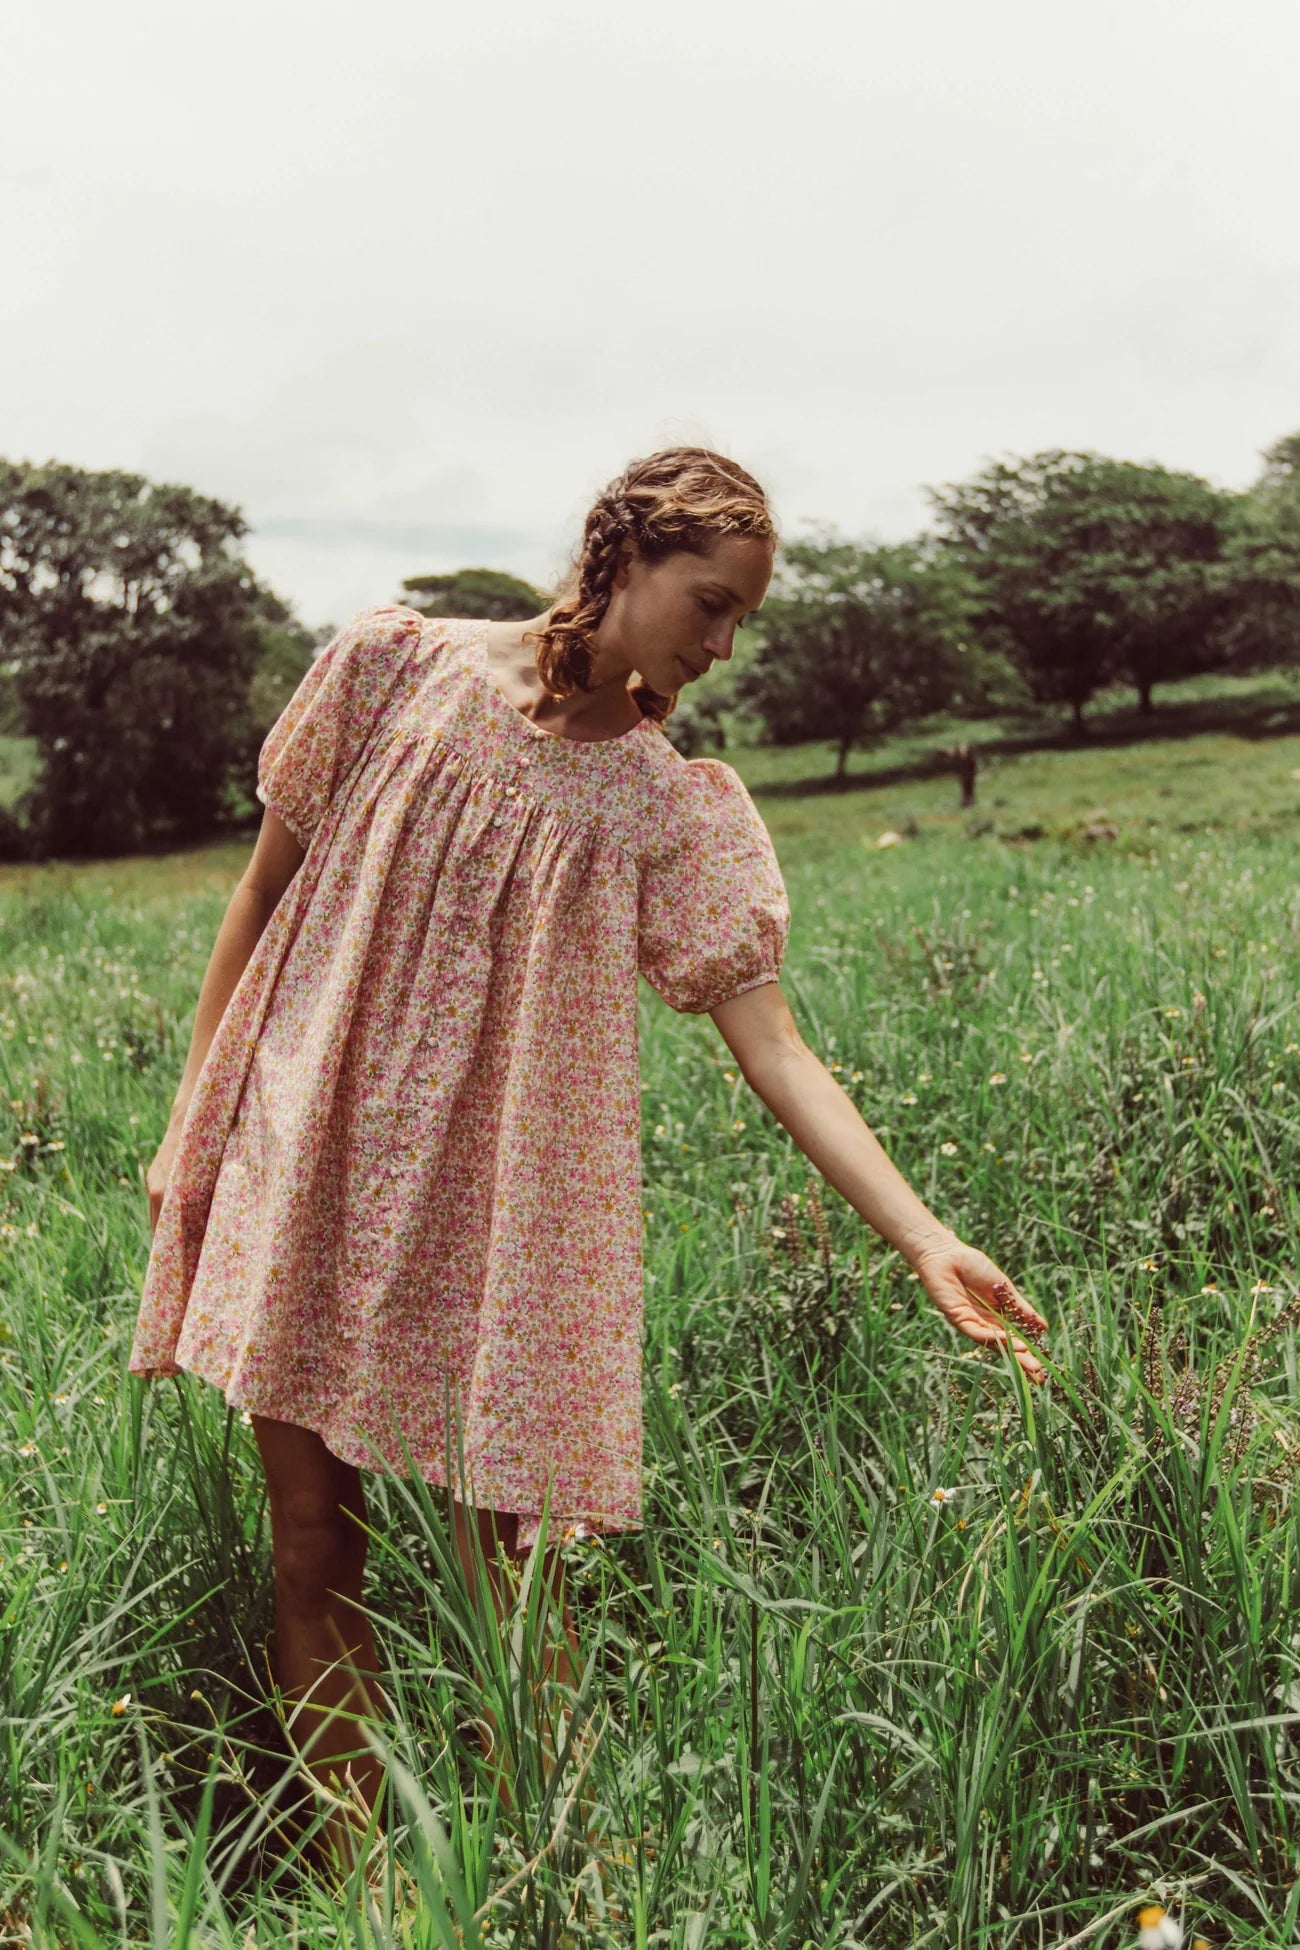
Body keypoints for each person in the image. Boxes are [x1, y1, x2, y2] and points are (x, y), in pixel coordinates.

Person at [129, 445, 1048, 1883]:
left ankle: (553, 1880)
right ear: (618, 556)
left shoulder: (668, 806)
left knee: (518, 1579)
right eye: (711, 601)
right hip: (306, 1154)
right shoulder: (391, 669)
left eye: (743, 618)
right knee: (313, 1544)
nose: (723, 643)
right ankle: (360, 1887)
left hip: (501, 1215)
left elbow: (778, 1047)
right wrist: (198, 1125)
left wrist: (923, 1233)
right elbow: (260, 899)